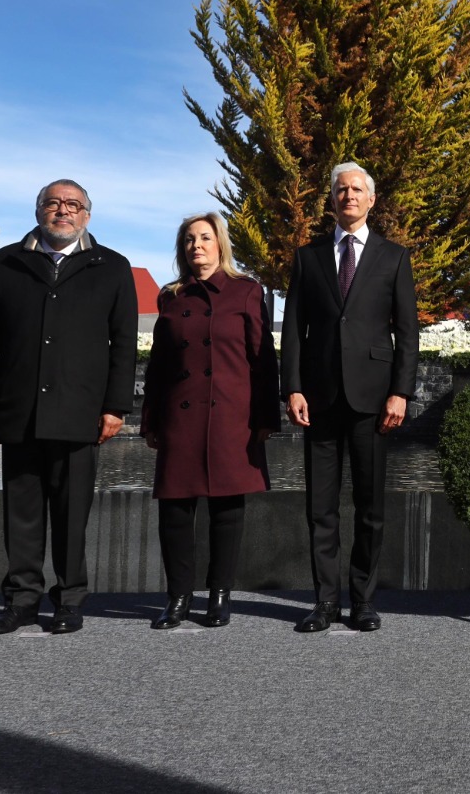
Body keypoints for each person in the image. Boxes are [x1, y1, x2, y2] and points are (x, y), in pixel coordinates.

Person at [0, 179, 137, 635]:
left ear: (87, 215)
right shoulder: (5, 262)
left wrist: (115, 406)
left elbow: (123, 344)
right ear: (38, 209)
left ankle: (68, 600)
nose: (62, 211)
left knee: (71, 512)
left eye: (72, 205)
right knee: (20, 512)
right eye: (53, 203)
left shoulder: (112, 266)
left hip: (80, 411)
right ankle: (21, 600)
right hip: (18, 409)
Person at [282, 162, 419, 632]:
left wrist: (401, 392)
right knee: (319, 508)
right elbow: (294, 332)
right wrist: (293, 386)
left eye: (357, 189)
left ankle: (363, 601)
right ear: (332, 198)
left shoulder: (394, 257)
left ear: (372, 199)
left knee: (370, 507)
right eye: (341, 190)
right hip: (318, 400)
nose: (349, 196)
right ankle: (324, 603)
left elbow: (407, 332)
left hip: (374, 400)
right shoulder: (308, 256)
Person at [141, 213, 280, 629]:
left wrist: (266, 417)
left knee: (227, 509)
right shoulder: (171, 296)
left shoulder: (247, 291)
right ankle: (178, 597)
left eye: (204, 237)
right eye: (188, 240)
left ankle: (220, 596)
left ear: (220, 243)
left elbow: (263, 360)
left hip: (232, 415)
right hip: (181, 415)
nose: (196, 245)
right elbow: (159, 367)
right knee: (175, 510)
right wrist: (151, 421)